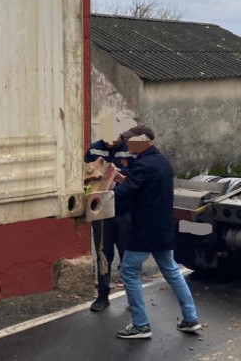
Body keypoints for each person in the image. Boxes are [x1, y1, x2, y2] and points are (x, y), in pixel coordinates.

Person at [113, 124, 201, 339]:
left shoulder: (142, 165)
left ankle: (141, 325)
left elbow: (125, 192)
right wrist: (124, 178)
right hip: (163, 227)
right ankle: (191, 318)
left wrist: (105, 189)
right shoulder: (161, 161)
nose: (127, 144)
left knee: (129, 272)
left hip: (145, 230)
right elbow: (143, 186)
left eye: (130, 140)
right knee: (171, 270)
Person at [85, 114, 137, 312]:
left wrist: (123, 179)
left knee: (128, 253)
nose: (109, 140)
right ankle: (103, 295)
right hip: (101, 212)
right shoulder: (94, 149)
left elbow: (137, 178)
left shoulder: (131, 151)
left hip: (124, 210)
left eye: (113, 136)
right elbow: (84, 174)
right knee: (103, 253)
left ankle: (133, 298)